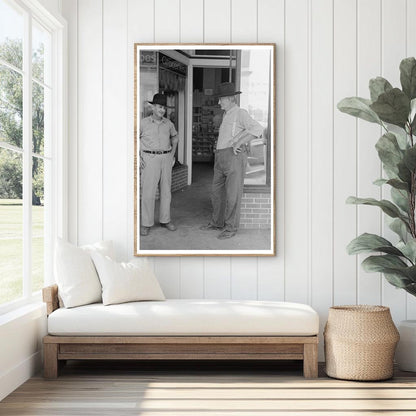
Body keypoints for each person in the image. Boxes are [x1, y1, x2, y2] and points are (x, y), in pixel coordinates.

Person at [200, 82, 264, 239]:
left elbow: (257, 129)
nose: (219, 102)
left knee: (232, 194)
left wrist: (239, 143)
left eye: (221, 99)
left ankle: (230, 228)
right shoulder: (226, 114)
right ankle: (217, 222)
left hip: (233, 157)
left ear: (229, 98)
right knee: (217, 193)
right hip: (221, 156)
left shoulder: (240, 113)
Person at [140, 93, 178, 236]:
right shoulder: (143, 123)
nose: (163, 110)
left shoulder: (168, 124)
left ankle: (165, 220)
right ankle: (146, 223)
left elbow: (175, 138)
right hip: (149, 159)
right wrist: (138, 157)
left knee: (166, 192)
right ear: (153, 107)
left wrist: (172, 155)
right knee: (148, 193)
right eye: (160, 107)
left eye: (164, 108)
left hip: (166, 159)